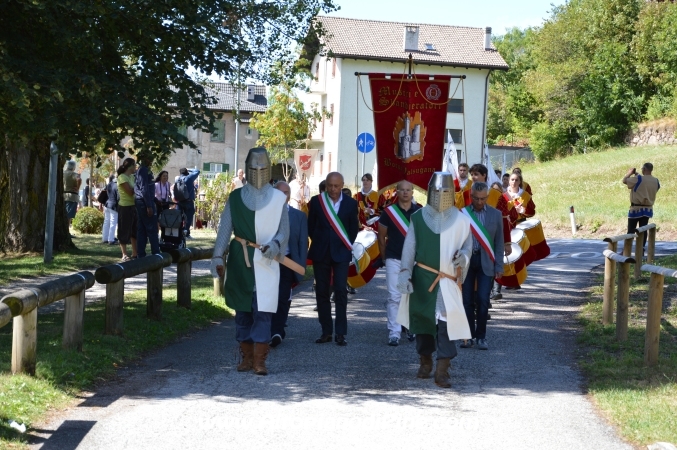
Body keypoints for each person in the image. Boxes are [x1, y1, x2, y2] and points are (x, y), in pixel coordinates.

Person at [211, 148, 289, 376]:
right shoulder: (235, 198)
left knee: (263, 311)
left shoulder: (278, 198)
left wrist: (275, 245)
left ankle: (260, 361)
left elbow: (284, 231)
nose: (257, 172)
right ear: (246, 168)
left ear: (268, 168)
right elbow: (224, 229)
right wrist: (218, 255)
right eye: (253, 167)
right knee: (242, 310)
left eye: (262, 168)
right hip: (240, 259)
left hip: (266, 261)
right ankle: (246, 357)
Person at [396, 172, 473, 389]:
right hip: (423, 277)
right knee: (423, 322)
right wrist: (404, 273)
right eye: (437, 191)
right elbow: (409, 248)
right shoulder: (418, 218)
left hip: (447, 279)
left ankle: (443, 369)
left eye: (446, 191)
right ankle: (425, 360)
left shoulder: (461, 220)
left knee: (447, 325)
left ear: (453, 193)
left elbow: (468, 246)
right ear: (430, 192)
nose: (441, 195)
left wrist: (464, 258)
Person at [308, 172, 359, 346]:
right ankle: (326, 331)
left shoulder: (351, 204)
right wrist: (322, 241)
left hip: (341, 253)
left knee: (340, 292)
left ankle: (341, 333)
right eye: (330, 185)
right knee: (322, 292)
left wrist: (343, 244)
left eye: (336, 186)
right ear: (326, 185)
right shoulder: (316, 202)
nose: (333, 189)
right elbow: (311, 227)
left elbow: (353, 229)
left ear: (343, 185)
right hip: (321, 253)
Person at [460, 182, 505, 351]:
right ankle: (469, 336)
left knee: (483, 300)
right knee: (467, 301)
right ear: (471, 196)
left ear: (487, 196)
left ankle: (481, 337)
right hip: (467, 262)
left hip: (487, 262)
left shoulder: (496, 215)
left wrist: (499, 266)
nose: (480, 202)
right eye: (477, 198)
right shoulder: (463, 214)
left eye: (483, 198)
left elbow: (499, 243)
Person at [377, 180, 421, 346]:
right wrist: (383, 257)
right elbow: (381, 237)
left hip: (414, 259)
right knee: (394, 296)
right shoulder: (388, 213)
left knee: (410, 295)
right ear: (397, 192)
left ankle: (410, 326)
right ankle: (394, 332)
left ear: (412, 192)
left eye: (408, 190)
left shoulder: (419, 212)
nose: (405, 193)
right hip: (393, 258)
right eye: (402, 190)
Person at [269, 181, 308, 348]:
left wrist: (300, 266)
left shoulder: (298, 216)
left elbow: (302, 243)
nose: (284, 196)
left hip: (287, 261)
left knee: (282, 296)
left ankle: (277, 331)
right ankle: (266, 328)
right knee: (268, 297)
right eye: (280, 192)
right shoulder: (265, 214)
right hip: (267, 262)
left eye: (287, 192)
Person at [622, 163, 660, 247]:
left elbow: (625, 180)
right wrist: (637, 175)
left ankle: (626, 249)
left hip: (636, 208)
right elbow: (645, 184)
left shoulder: (638, 179)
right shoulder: (656, 181)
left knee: (631, 230)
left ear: (644, 169)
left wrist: (630, 173)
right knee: (643, 230)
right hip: (648, 209)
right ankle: (641, 249)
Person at [134, 152, 160, 258]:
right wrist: (149, 205)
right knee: (152, 228)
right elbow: (144, 188)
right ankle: (156, 253)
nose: (152, 161)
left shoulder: (141, 170)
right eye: (150, 159)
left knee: (142, 228)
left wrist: (154, 199)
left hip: (142, 200)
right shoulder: (143, 170)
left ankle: (141, 253)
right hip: (144, 202)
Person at [116, 158, 138, 261]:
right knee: (124, 229)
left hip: (134, 206)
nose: (135, 167)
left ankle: (135, 253)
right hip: (124, 206)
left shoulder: (133, 177)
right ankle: (124, 254)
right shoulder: (122, 177)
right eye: (134, 165)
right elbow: (129, 192)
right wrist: (138, 189)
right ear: (130, 166)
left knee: (134, 230)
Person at [176, 167, 200, 239]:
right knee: (188, 218)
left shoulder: (178, 179)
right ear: (186, 172)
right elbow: (197, 171)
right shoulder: (189, 178)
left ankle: (180, 233)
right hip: (188, 201)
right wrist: (189, 169)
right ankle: (186, 233)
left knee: (180, 218)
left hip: (179, 202)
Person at [63, 160, 81, 230]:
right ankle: (66, 231)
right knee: (68, 216)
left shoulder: (63, 173)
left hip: (63, 195)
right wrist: (77, 188)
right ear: (73, 167)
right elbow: (79, 179)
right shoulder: (73, 174)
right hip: (72, 196)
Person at [101, 174, 119, 245]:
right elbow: (118, 197)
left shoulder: (109, 184)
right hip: (113, 205)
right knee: (113, 222)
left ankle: (105, 238)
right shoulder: (117, 185)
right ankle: (111, 239)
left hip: (107, 204)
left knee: (106, 222)